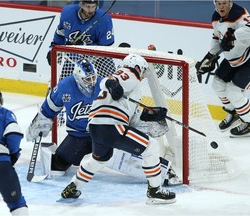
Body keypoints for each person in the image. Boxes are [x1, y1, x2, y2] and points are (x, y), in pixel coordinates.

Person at [25, 58, 180, 186]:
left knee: (126, 155)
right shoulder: (65, 86)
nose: (91, 82)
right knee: (58, 165)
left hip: (103, 132)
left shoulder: (106, 85)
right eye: (87, 79)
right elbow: (48, 109)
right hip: (77, 137)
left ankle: (164, 171)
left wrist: (146, 115)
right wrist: (39, 124)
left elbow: (125, 111)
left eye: (93, 77)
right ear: (77, 78)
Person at [61, 54, 176, 205]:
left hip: (96, 127)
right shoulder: (129, 72)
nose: (142, 75)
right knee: (151, 147)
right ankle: (155, 191)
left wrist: (149, 115)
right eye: (142, 70)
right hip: (111, 126)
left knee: (99, 160)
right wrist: (111, 83)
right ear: (137, 67)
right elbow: (111, 81)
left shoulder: (130, 89)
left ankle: (73, 186)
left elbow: (132, 120)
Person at [196, 0, 250, 137]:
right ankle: (234, 112)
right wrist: (210, 57)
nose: (221, 6)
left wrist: (233, 36)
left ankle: (249, 124)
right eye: (218, 3)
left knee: (234, 91)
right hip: (237, 55)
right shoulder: (215, 17)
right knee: (217, 84)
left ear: (230, 3)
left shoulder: (238, 14)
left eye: (224, 3)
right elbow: (217, 36)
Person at [46, 0, 114, 66]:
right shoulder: (68, 13)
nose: (91, 10)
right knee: (65, 77)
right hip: (73, 60)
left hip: (99, 62)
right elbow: (60, 34)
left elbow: (106, 48)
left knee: (108, 77)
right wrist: (53, 49)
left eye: (93, 7)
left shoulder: (104, 20)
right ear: (81, 4)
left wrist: (84, 48)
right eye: (88, 7)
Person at [0, 87, 29, 215]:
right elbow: (14, 134)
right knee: (16, 203)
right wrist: (13, 154)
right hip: (0, 164)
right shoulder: (4, 113)